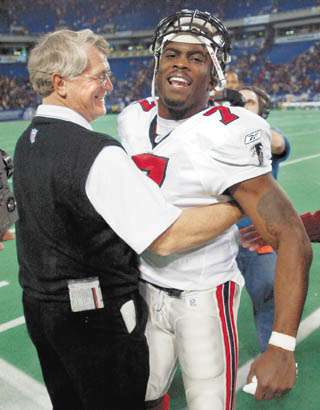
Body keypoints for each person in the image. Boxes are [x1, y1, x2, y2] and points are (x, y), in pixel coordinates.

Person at [13, 28, 244, 410]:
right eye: (98, 76)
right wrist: (239, 204)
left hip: (42, 310)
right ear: (60, 83)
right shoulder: (96, 153)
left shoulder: (29, 138)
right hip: (94, 318)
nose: (108, 84)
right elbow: (168, 238)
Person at [117, 9, 312, 409]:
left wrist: (282, 345)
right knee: (141, 393)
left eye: (196, 57)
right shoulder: (132, 119)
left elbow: (291, 235)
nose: (180, 64)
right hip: (144, 285)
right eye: (172, 54)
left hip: (203, 295)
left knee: (207, 402)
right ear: (157, 62)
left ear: (215, 73)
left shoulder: (230, 131)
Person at [236, 85, 291, 352]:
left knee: (268, 294)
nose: (241, 105)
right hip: (213, 239)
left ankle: (272, 357)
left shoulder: (267, 137)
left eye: (249, 102)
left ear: (262, 110)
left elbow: (280, 144)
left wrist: (247, 123)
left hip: (257, 236)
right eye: (237, 101)